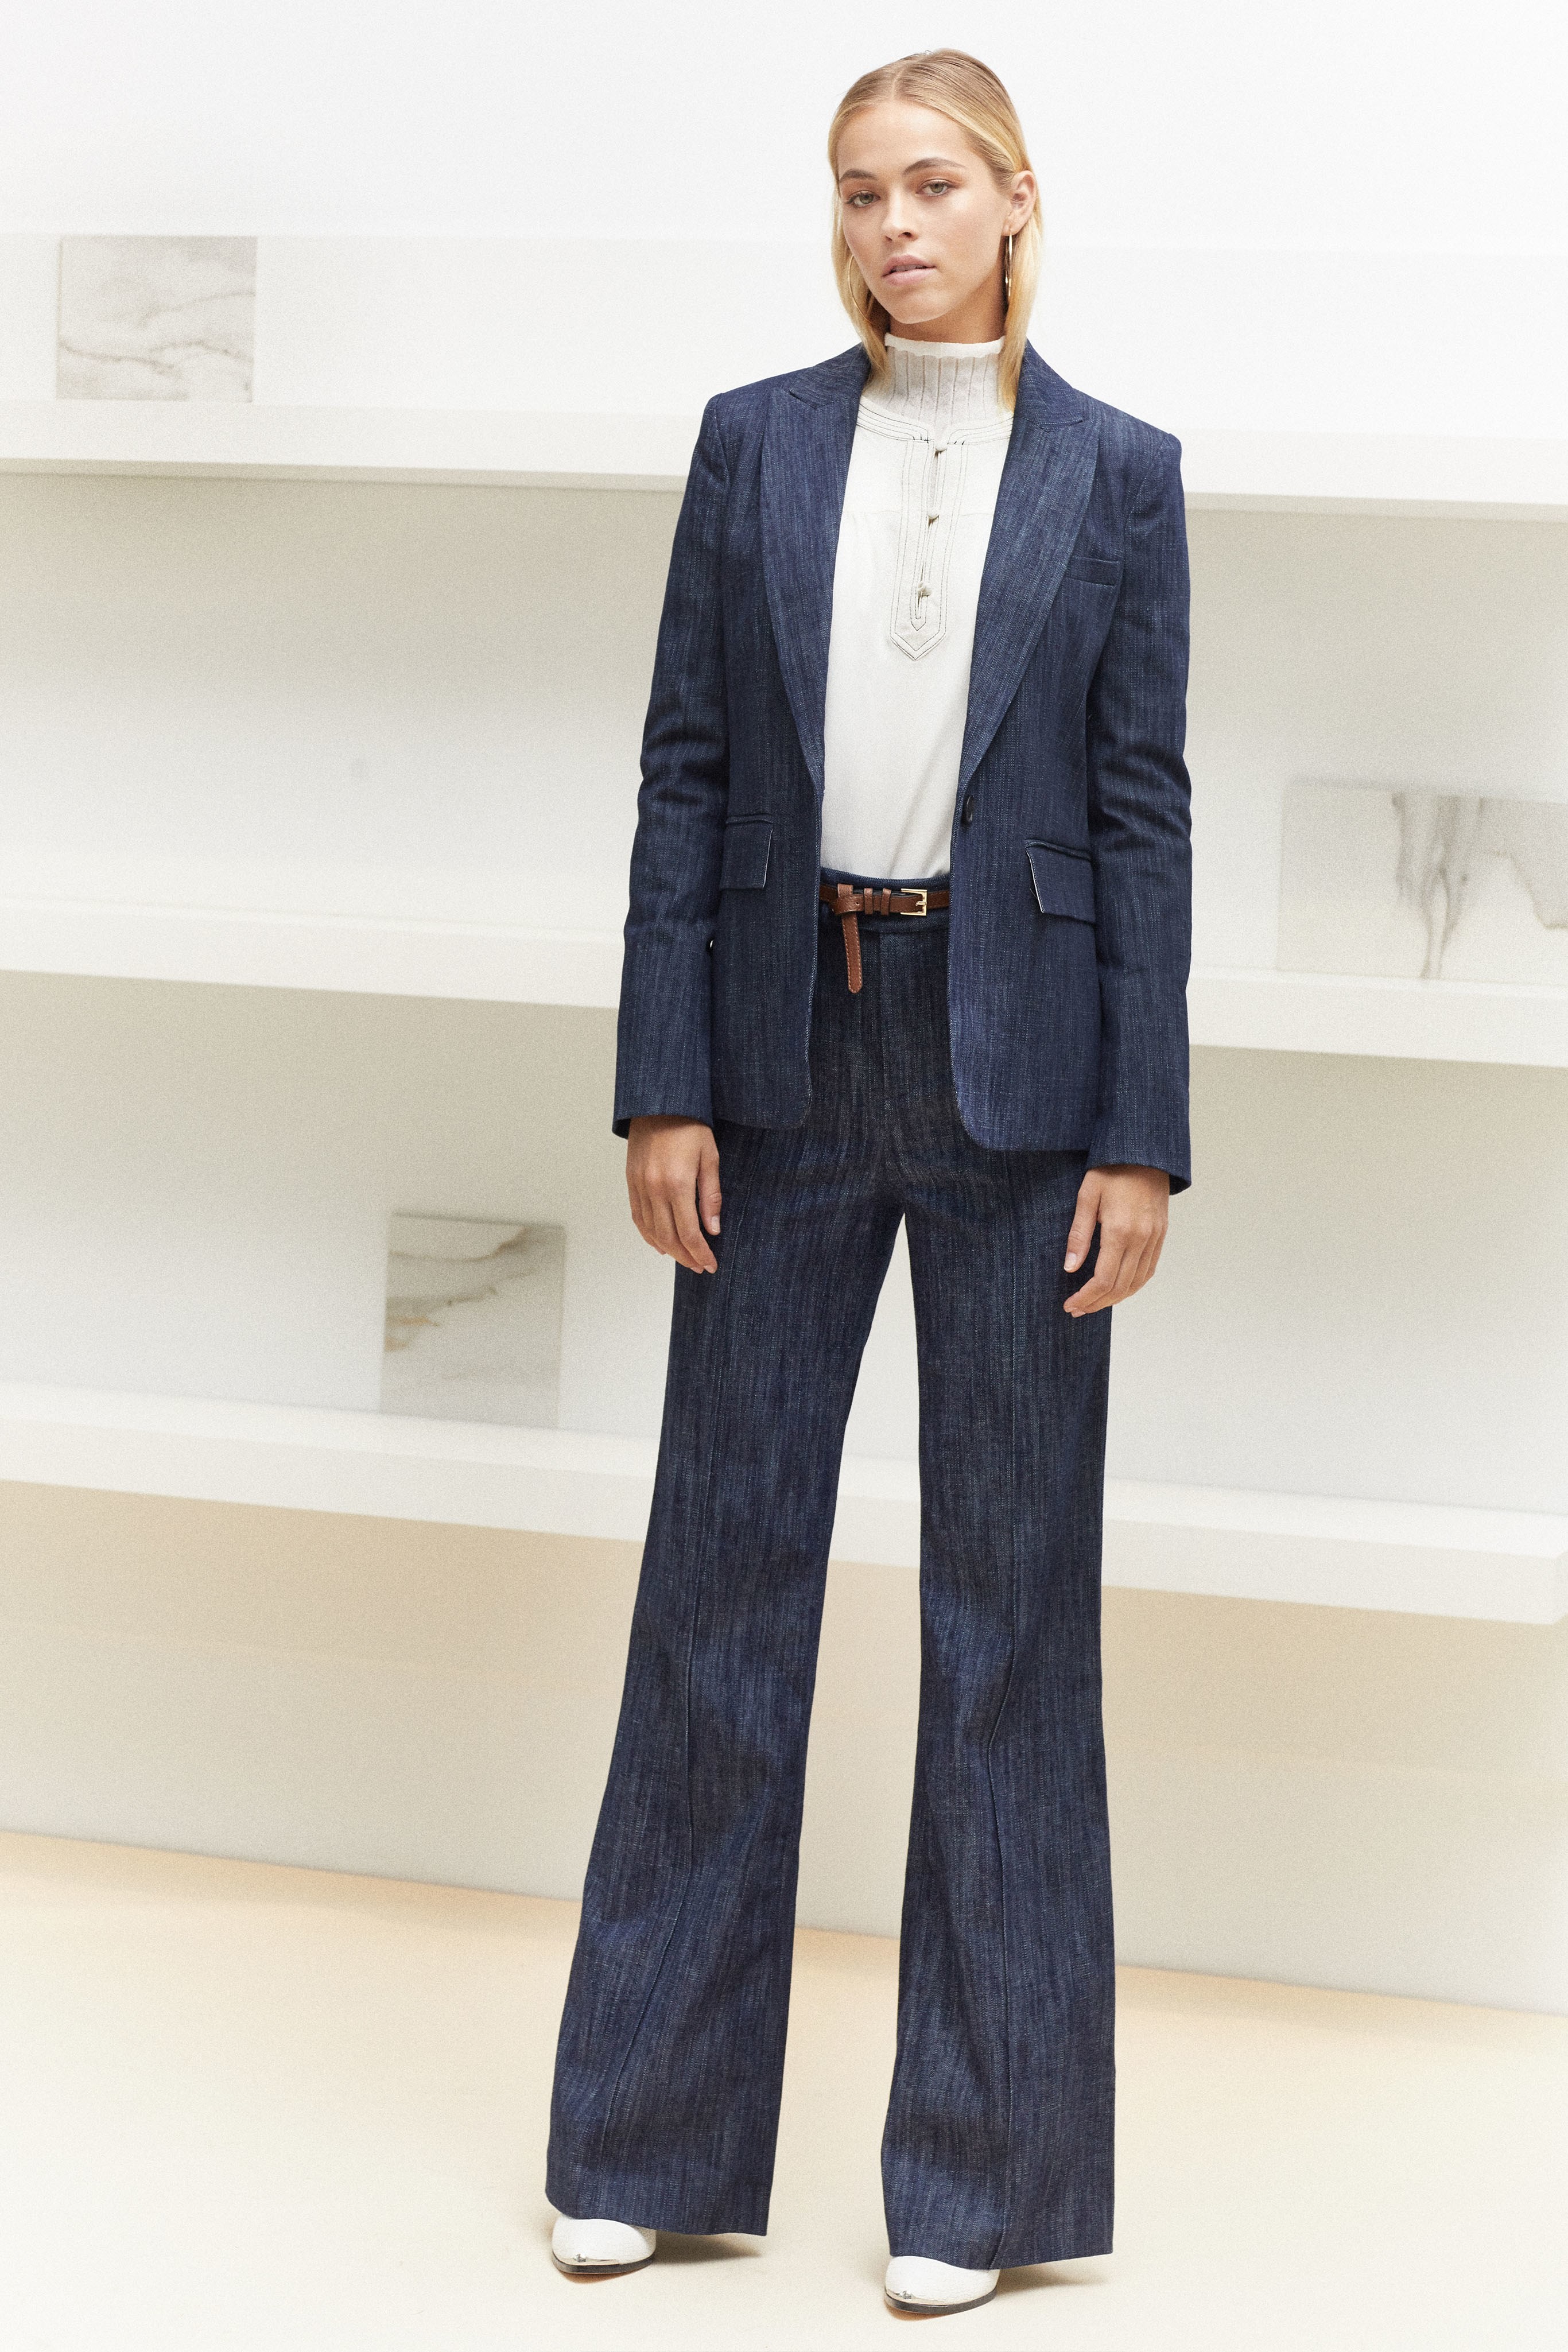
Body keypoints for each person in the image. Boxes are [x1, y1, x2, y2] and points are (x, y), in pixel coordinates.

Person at [546, 47, 1191, 2320]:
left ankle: (981, 2181)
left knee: (1008, 1625)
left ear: (1013, 198)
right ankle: (642, 2142)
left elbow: (1139, 811)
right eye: (854, 191)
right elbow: (683, 770)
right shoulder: (752, 443)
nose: (888, 224)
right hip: (777, 1052)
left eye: (927, 184)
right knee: (717, 1592)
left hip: (1024, 1086)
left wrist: (1140, 1129)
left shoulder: (1118, 472)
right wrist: (664, 1083)